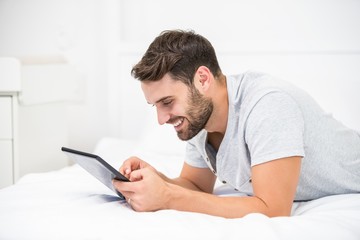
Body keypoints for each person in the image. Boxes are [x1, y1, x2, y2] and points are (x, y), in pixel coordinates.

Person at [113, 29, 360, 218]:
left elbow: (273, 209)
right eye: (155, 105)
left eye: (167, 101)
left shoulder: (268, 104)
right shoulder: (198, 119)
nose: (161, 119)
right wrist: (155, 179)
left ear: (202, 79)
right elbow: (196, 185)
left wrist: (168, 198)